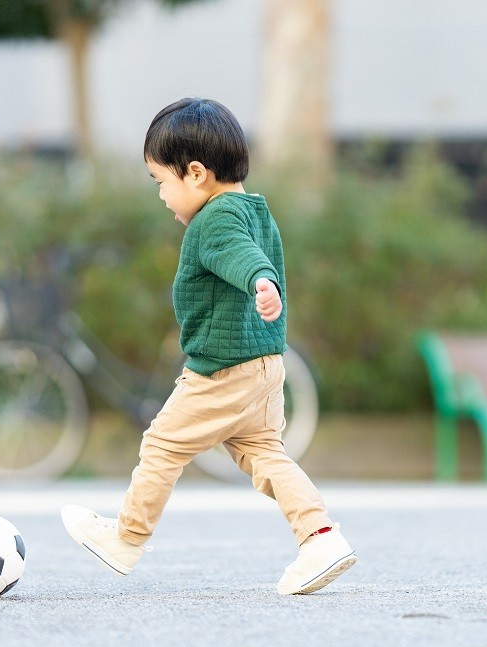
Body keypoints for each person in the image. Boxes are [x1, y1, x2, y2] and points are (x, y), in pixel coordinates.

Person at [61, 97, 356, 595]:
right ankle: (321, 537)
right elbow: (246, 248)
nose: (161, 196)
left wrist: (261, 280)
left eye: (161, 182)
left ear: (195, 173)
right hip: (265, 366)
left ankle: (127, 538)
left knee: (162, 444)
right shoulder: (253, 209)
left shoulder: (214, 221)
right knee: (265, 455)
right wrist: (261, 279)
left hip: (223, 371)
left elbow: (241, 255)